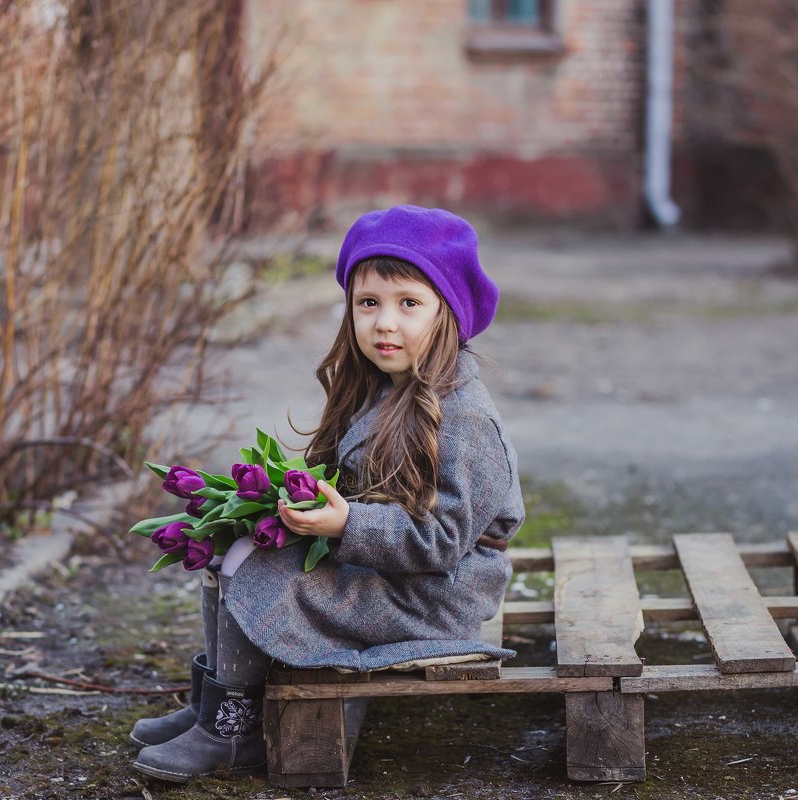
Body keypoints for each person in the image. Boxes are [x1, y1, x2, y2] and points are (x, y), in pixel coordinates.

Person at [129, 205, 525, 783]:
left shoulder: (464, 418)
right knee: (223, 548)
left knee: (254, 567)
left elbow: (440, 542)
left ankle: (235, 733)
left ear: (450, 312)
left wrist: (345, 526)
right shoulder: (383, 389)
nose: (385, 323)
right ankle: (212, 707)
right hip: (390, 569)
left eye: (408, 303)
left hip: (435, 594)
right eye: (369, 304)